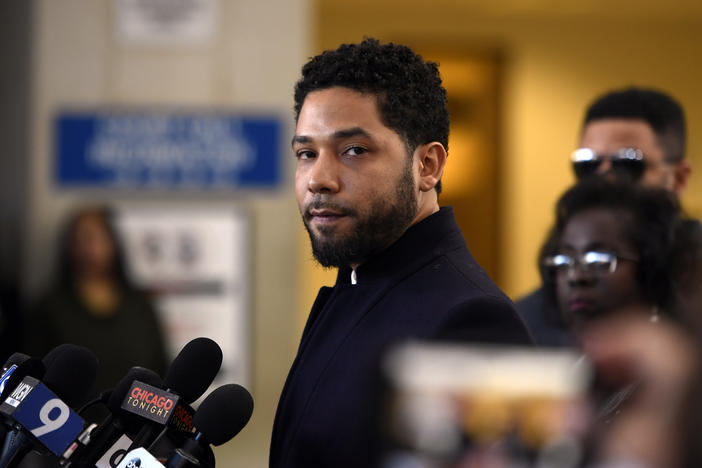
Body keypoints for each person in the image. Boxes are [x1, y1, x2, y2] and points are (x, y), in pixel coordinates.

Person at [270, 38, 532, 468]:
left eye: (354, 150)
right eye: (306, 153)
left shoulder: (472, 318)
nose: (318, 179)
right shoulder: (353, 286)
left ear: (427, 166)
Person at [517, 87, 694, 346]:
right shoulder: (528, 322)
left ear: (679, 178)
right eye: (588, 165)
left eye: (628, 164)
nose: (605, 179)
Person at [23, 206, 169, 399]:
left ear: (113, 243)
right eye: (79, 240)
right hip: (67, 423)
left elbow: (161, 368)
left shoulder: (140, 306)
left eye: (95, 238)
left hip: (133, 424)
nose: (88, 249)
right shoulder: (50, 307)